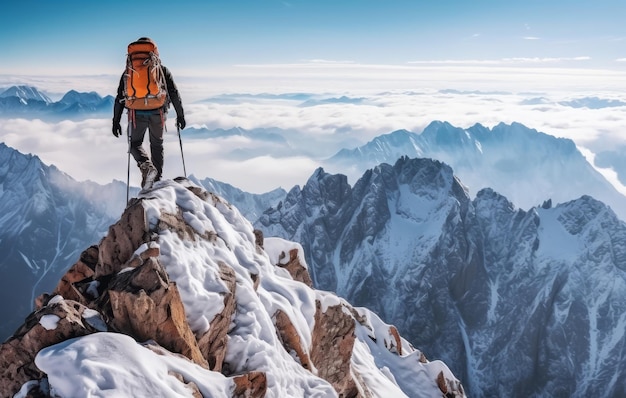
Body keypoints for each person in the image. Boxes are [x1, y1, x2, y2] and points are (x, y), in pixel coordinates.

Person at [111, 37, 185, 188]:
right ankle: (156, 179)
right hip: (158, 112)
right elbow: (174, 92)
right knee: (157, 145)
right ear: (154, 53)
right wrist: (180, 115)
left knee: (134, 144)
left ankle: (146, 167)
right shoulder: (162, 70)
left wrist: (116, 121)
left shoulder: (129, 71)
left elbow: (120, 96)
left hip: (136, 113)